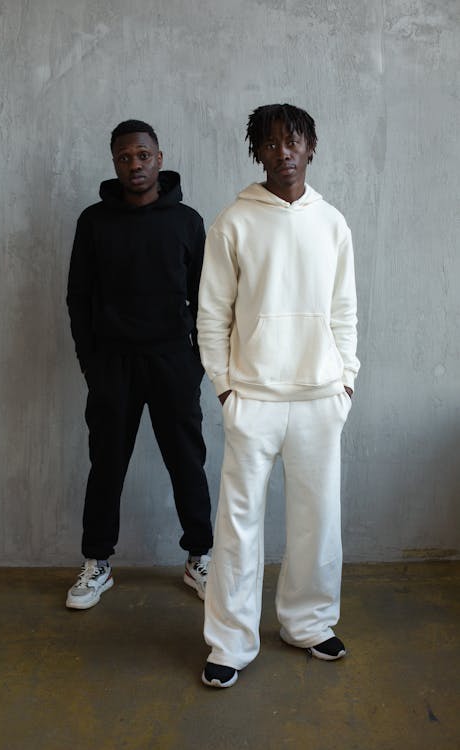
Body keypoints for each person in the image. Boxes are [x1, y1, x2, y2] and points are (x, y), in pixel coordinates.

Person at [197, 103, 360, 687]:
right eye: (270, 144)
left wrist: (346, 381)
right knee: (238, 525)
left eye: (293, 141)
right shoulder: (233, 222)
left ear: (310, 146)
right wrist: (225, 388)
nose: (283, 152)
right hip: (254, 398)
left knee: (319, 520)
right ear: (257, 153)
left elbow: (344, 310)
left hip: (320, 396)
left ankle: (310, 623)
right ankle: (229, 643)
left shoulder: (331, 222)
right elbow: (212, 314)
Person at [66, 119, 213, 609]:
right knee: (106, 464)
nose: (135, 164)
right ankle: (97, 564)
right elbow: (78, 297)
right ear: (115, 163)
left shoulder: (188, 222)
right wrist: (92, 364)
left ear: (160, 157)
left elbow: (207, 300)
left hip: (173, 361)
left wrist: (195, 364)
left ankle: (200, 557)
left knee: (187, 462)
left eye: (143, 155)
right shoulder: (94, 222)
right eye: (125, 157)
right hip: (113, 365)